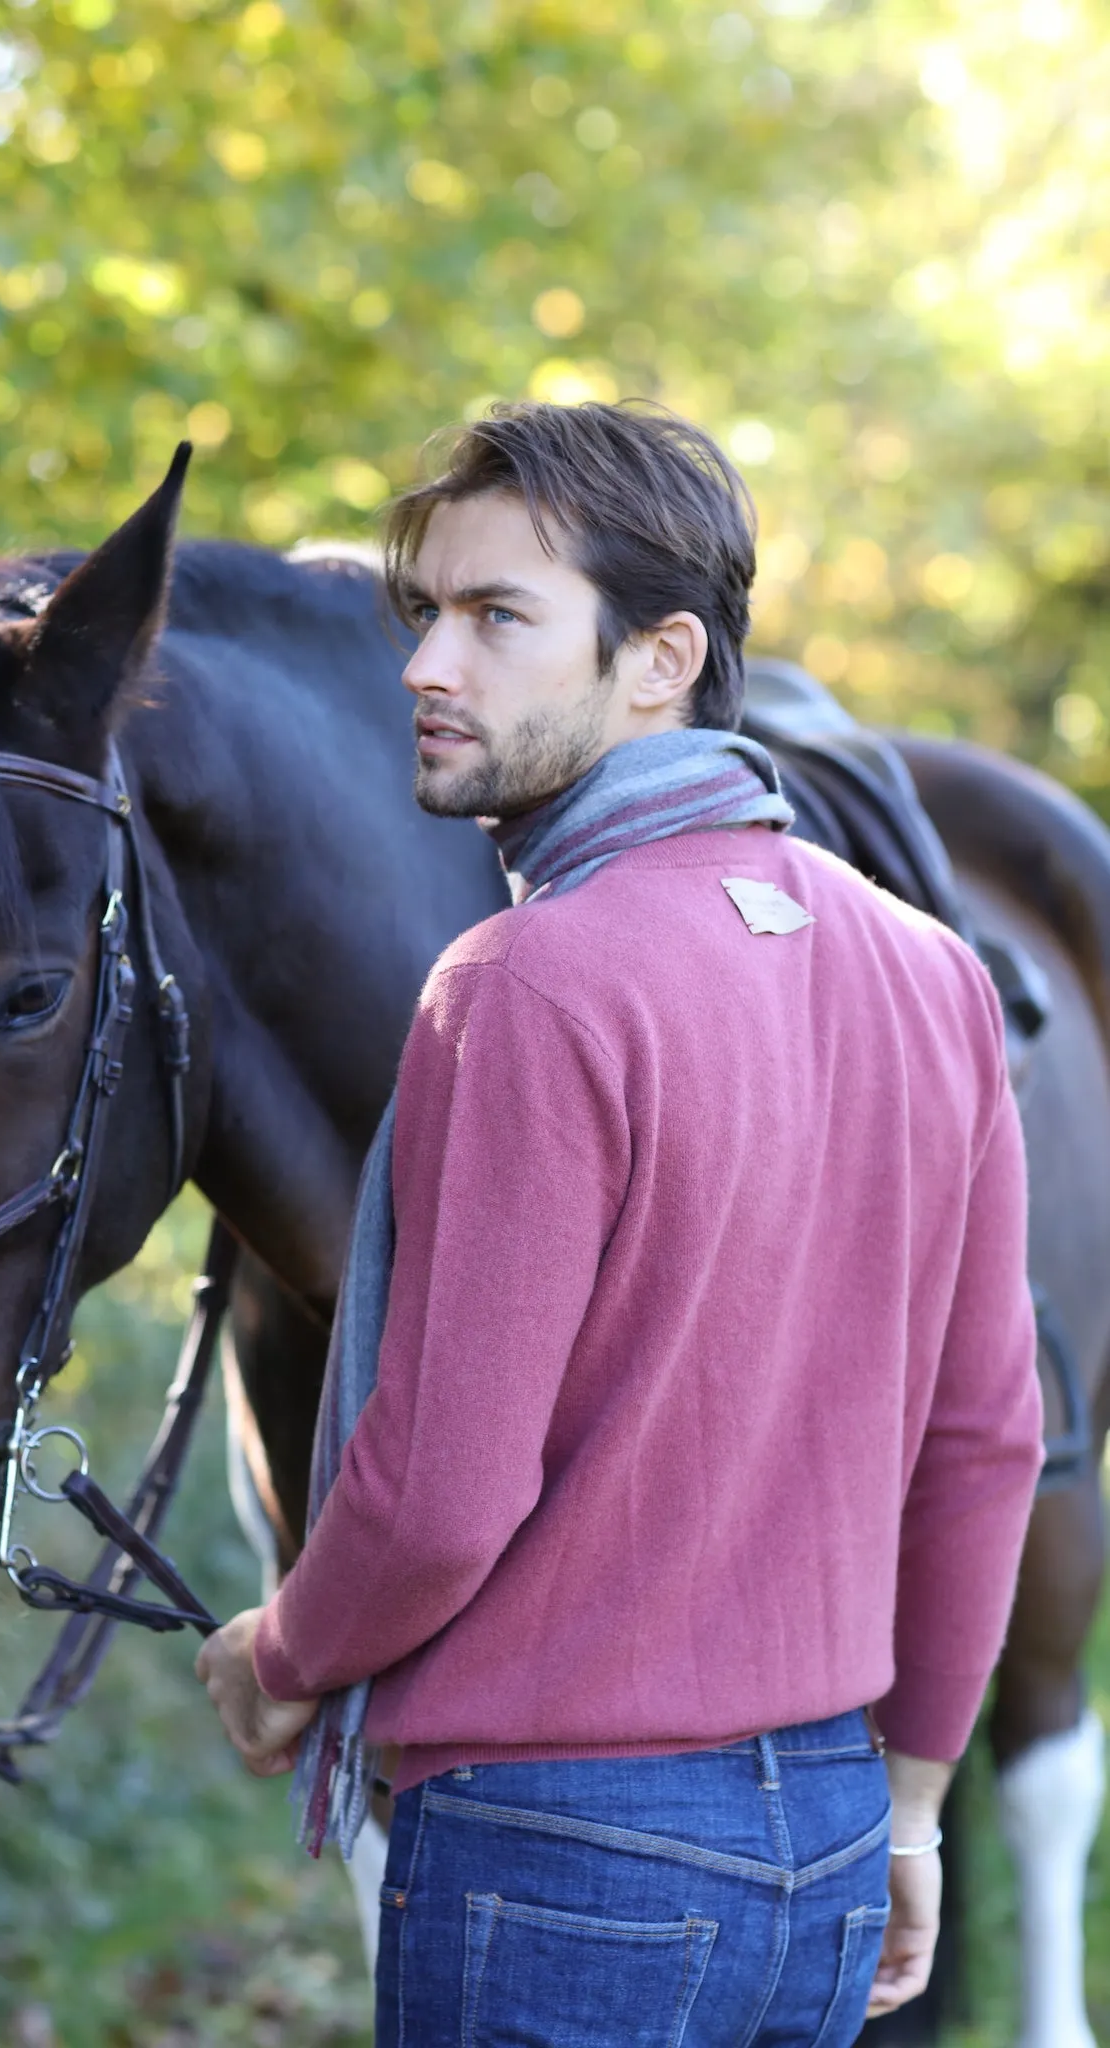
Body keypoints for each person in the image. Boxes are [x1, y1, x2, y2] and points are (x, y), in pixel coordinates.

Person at [196, 400, 1043, 2045]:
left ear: (660, 659)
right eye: (424, 613)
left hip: (556, 1852)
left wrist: (291, 1650)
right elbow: (986, 1435)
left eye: (498, 617)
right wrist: (918, 1800)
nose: (427, 668)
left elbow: (441, 1494)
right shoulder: (931, 972)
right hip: (827, 1831)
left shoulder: (528, 985)